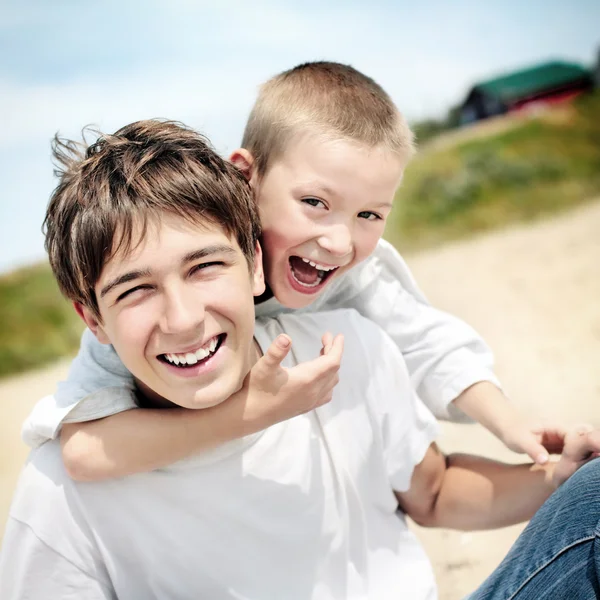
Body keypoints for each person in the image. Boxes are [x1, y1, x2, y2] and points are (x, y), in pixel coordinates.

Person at [2, 121, 600, 600]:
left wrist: (552, 477)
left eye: (205, 266)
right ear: (93, 320)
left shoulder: (342, 352)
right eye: (136, 289)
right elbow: (79, 458)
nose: (182, 318)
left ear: (256, 265)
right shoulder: (62, 488)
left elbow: (436, 491)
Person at [23, 62, 556, 483]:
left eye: (369, 214)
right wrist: (253, 412)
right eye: (315, 202)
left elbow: (429, 344)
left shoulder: (353, 276)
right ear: (245, 176)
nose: (340, 242)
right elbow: (85, 450)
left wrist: (514, 428)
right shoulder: (167, 293)